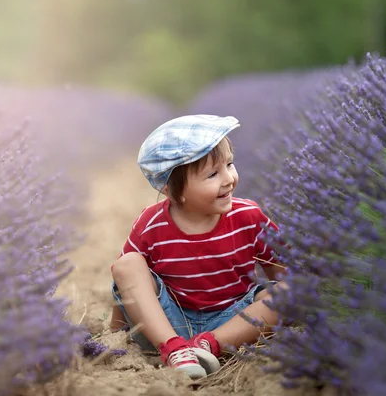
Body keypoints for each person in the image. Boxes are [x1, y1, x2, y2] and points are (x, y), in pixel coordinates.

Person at [109, 114, 287, 379]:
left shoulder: (248, 217)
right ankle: (175, 350)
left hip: (233, 322)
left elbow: (284, 273)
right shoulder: (152, 223)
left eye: (230, 164)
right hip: (168, 323)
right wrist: (117, 333)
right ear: (174, 191)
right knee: (127, 264)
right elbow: (126, 285)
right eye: (213, 174)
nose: (228, 178)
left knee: (290, 293)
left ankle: (207, 347)